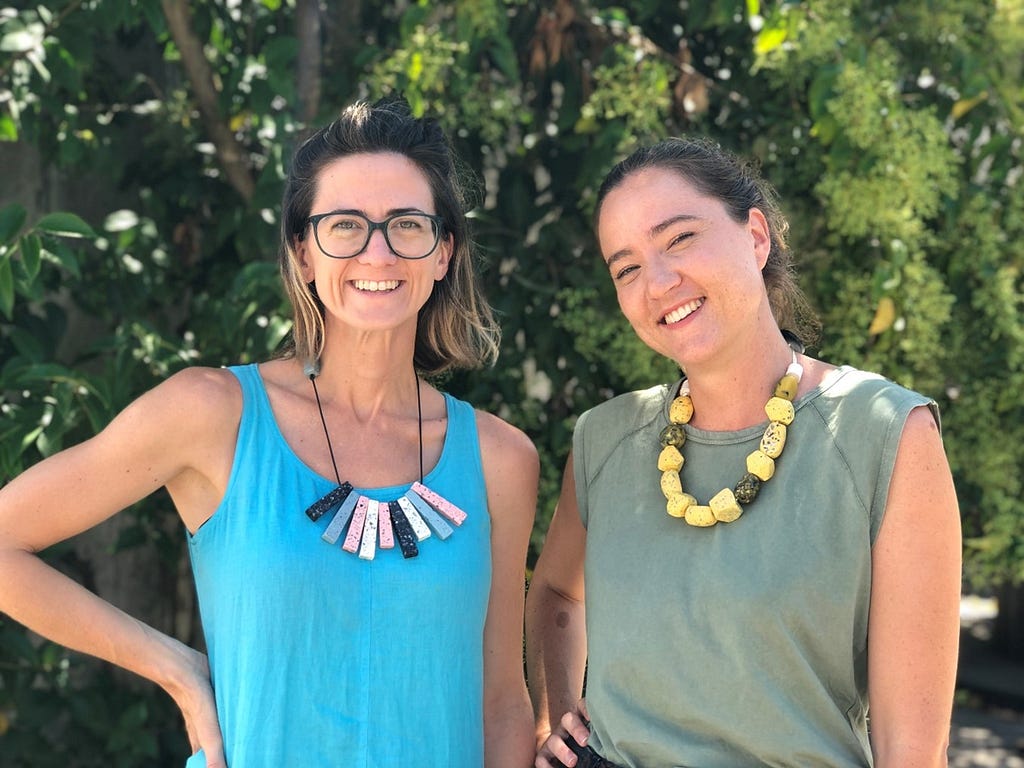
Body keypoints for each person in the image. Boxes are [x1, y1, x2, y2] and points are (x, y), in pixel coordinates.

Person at [0, 97, 538, 767]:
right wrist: (177, 670)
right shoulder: (211, 413)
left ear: (442, 253)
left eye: (406, 224)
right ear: (303, 254)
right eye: (345, 225)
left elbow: (503, 703)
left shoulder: (500, 460)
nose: (378, 250)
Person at [525, 137, 961, 768]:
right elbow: (557, 594)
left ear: (757, 237)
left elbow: (913, 754)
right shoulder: (604, 440)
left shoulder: (885, 432)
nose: (658, 282)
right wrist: (552, 724)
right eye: (626, 267)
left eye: (679, 239)